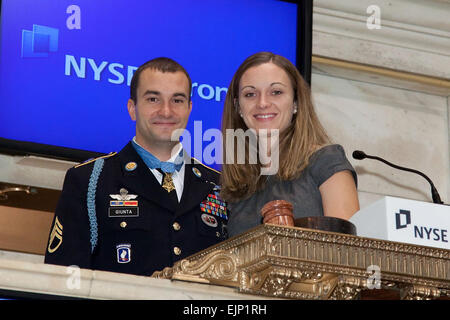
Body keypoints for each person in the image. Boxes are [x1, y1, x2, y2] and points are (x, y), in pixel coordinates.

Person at [45, 57, 228, 276]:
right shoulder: (89, 180)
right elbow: (62, 279)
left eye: (177, 100)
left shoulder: (218, 186)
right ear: (132, 108)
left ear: (189, 108)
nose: (166, 111)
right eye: (153, 99)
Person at [220, 52, 359, 237]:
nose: (262, 103)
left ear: (296, 102)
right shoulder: (234, 186)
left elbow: (349, 250)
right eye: (250, 94)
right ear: (238, 107)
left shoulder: (326, 161)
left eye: (276, 92)